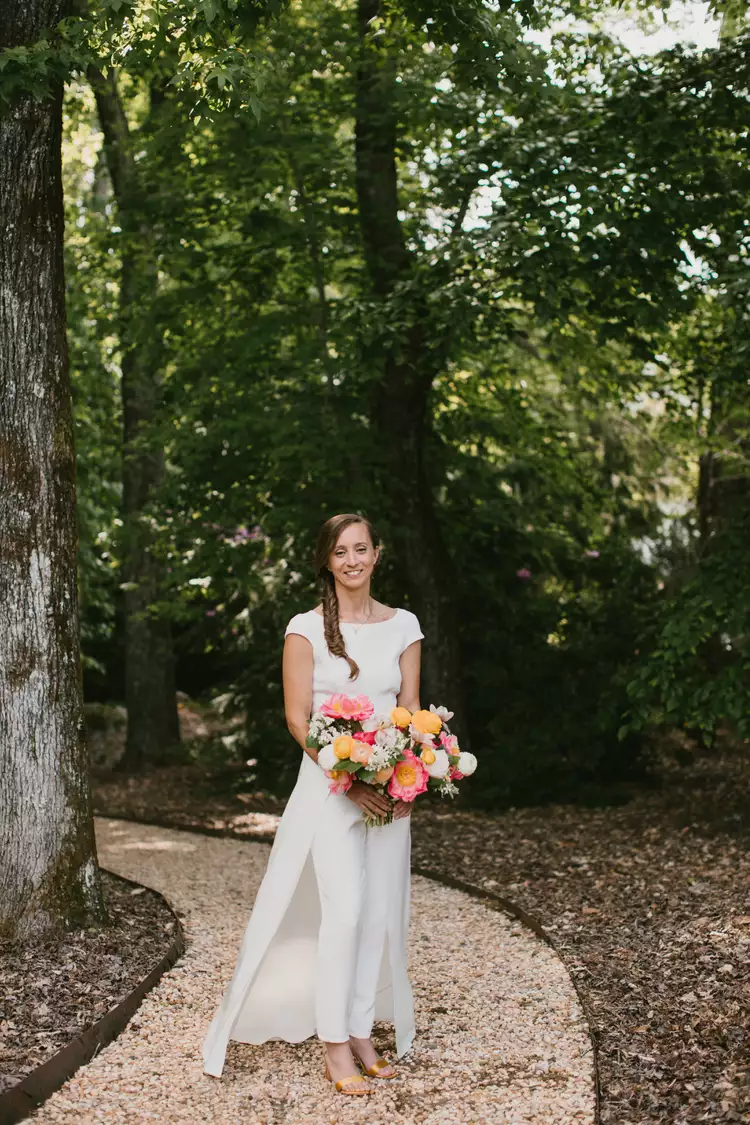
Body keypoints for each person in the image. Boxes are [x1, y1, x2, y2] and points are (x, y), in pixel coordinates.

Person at [202, 512, 424, 1096]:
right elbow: (297, 720)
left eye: (361, 549)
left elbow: (412, 711)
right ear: (327, 561)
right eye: (340, 552)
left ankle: (359, 1029)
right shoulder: (304, 628)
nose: (352, 560)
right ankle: (333, 1045)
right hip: (331, 790)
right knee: (345, 912)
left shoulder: (404, 626)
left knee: (378, 916)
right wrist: (350, 780)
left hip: (389, 793)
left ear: (377, 554)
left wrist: (409, 780)